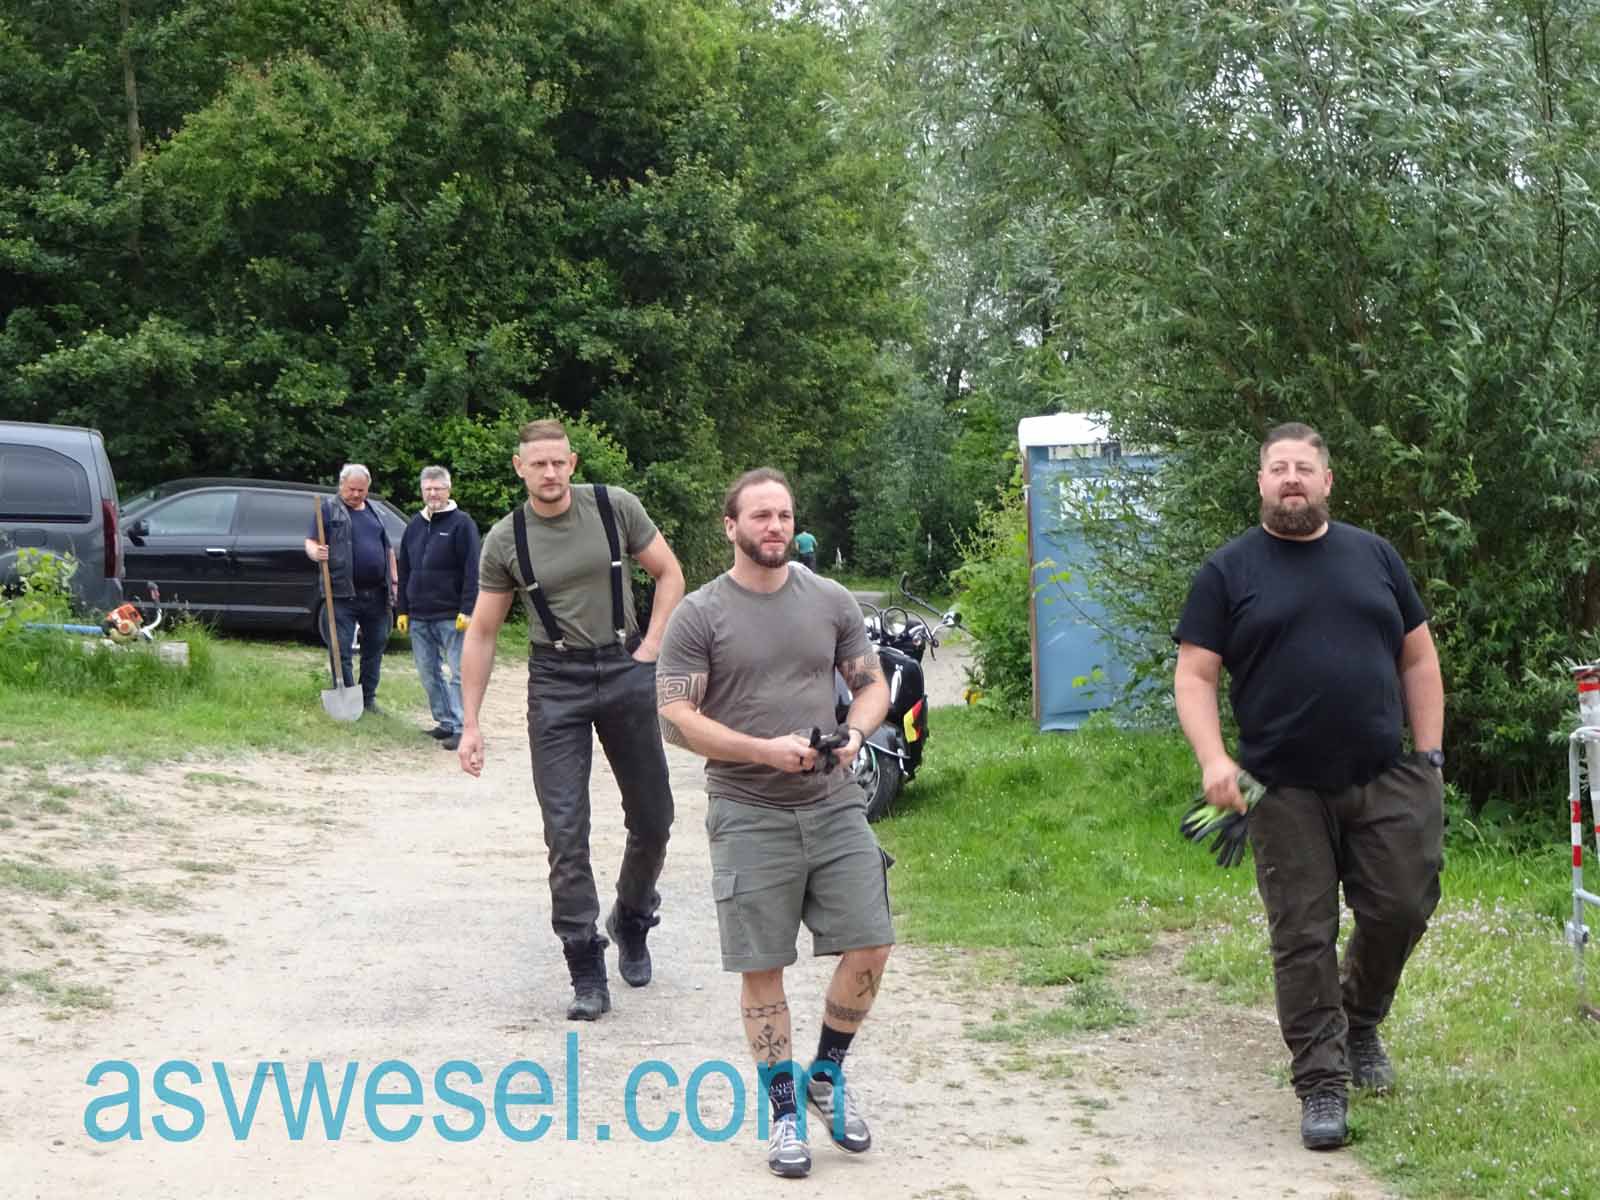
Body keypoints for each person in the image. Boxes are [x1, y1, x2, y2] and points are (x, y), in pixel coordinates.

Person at [1172, 422, 1445, 1152]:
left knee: (1402, 907)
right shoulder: (1228, 571)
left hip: (1385, 775)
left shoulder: (1374, 556)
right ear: (1261, 483)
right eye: (1277, 468)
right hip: (1282, 786)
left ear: (1327, 481)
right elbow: (1195, 675)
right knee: (1302, 936)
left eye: (1303, 467)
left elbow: (1418, 659)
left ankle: (1360, 1022)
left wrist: (1430, 756)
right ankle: (1322, 1083)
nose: (1290, 478)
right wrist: (1214, 760)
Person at [656, 467, 893, 1180]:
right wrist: (762, 750)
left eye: (784, 515)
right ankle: (784, 1112)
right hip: (747, 809)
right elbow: (675, 717)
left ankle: (826, 1074)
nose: (775, 527)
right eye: (760, 516)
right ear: (730, 527)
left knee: (872, 943)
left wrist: (855, 733)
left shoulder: (830, 600)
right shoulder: (700, 614)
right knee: (763, 967)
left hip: (833, 800)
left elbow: (871, 684)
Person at [456, 419, 683, 1021]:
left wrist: (651, 645)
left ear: (573, 462)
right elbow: (482, 632)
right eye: (538, 464)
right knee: (565, 830)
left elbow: (669, 573)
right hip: (556, 683)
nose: (550, 472)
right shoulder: (506, 539)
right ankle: (584, 965)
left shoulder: (614, 507)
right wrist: (470, 723)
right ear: (520, 467)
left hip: (625, 666)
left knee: (655, 816)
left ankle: (632, 916)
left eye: (558, 462)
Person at [396, 466, 481, 752]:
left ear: (448, 490)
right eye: (428, 489)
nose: (433, 494)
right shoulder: (414, 525)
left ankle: (462, 727)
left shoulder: (462, 524)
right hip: (419, 615)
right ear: (422, 491)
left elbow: (472, 569)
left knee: (458, 674)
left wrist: (467, 608)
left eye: (438, 488)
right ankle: (445, 721)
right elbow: (405, 570)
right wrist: (402, 609)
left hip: (451, 615)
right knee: (428, 672)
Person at [304, 464, 398, 714]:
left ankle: (367, 699)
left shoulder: (375, 511)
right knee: (341, 649)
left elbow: (387, 548)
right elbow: (311, 542)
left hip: (377, 594)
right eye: (351, 489)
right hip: (342, 593)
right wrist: (316, 552)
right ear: (341, 486)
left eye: (361, 490)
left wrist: (394, 581)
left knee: (375, 648)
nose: (356, 494)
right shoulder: (328, 509)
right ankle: (346, 696)